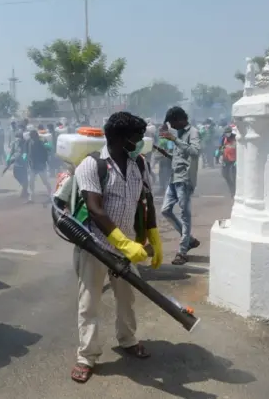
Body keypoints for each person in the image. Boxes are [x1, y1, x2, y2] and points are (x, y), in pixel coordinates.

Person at [70, 111, 162, 384]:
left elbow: (146, 201)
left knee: (127, 299)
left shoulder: (139, 165)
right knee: (89, 302)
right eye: (137, 138)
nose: (140, 143)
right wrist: (121, 242)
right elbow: (95, 209)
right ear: (122, 139)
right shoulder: (92, 165)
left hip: (128, 245)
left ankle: (127, 339)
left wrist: (153, 235)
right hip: (96, 245)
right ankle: (87, 356)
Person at [159, 107, 201, 266]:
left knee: (185, 214)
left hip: (184, 179)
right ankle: (189, 240)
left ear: (180, 119)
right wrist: (166, 154)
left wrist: (174, 139)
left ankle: (182, 251)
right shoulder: (179, 135)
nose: (172, 126)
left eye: (172, 123)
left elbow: (195, 152)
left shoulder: (193, 132)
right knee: (165, 210)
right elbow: (181, 158)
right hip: (174, 177)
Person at [26, 130, 52, 203]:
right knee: (31, 181)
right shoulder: (29, 142)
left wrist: (45, 144)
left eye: (33, 137)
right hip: (33, 165)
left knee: (45, 181)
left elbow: (49, 148)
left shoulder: (42, 142)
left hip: (41, 165)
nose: (33, 138)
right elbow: (26, 152)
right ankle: (31, 197)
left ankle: (51, 196)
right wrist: (25, 159)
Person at [217, 126, 237, 197]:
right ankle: (232, 189)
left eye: (229, 132)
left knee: (234, 175)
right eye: (226, 133)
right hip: (226, 159)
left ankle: (234, 191)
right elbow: (221, 148)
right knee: (225, 174)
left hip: (235, 160)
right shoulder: (223, 139)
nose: (227, 134)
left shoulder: (235, 138)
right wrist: (219, 156)